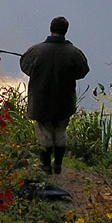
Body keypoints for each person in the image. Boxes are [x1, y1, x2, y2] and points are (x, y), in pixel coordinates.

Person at [20, 16, 89, 175]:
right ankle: (58, 164)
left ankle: (45, 166)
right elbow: (82, 72)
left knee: (44, 133)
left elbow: (25, 68)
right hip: (64, 102)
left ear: (50, 28)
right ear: (66, 31)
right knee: (60, 132)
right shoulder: (74, 53)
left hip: (41, 101)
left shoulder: (35, 50)